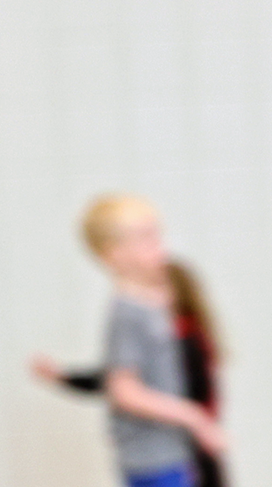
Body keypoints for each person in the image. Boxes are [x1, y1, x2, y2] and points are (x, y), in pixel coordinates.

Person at [69, 195, 226, 487]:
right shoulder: (127, 312)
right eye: (145, 238)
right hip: (152, 459)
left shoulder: (149, 304)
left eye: (157, 235)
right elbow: (123, 389)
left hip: (172, 453)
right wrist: (193, 417)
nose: (159, 246)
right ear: (114, 254)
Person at [32, 259, 227, 487]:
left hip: (183, 450)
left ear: (175, 293)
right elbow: (116, 378)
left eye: (156, 287)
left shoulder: (182, 337)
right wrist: (65, 377)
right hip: (172, 447)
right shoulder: (166, 335)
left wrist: (197, 422)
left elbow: (125, 386)